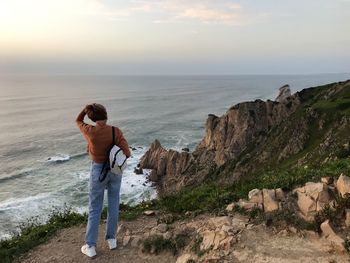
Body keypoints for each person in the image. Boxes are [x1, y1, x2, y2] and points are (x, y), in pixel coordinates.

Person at [76, 103, 131, 258]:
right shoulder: (115, 131)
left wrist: (85, 110)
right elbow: (126, 153)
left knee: (95, 207)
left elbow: (78, 120)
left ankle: (91, 246)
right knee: (113, 203)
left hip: (98, 170)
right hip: (115, 170)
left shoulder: (90, 131)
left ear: (92, 117)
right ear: (106, 115)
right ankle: (112, 240)